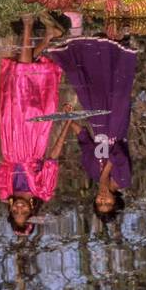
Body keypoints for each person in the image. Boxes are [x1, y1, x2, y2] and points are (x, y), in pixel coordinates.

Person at [0, 14, 71, 235]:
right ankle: (28, 24)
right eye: (24, 213)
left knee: (15, 81)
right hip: (34, 136)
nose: (19, 209)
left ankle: (50, 35)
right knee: (23, 79)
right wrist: (66, 122)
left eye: (16, 213)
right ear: (32, 209)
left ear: (10, 210)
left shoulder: (4, 190)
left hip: (10, 136)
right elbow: (53, 157)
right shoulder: (43, 190)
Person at [49, 35, 136, 224]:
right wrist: (106, 177)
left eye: (99, 203)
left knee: (90, 88)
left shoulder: (92, 172)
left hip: (98, 125)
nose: (103, 199)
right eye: (108, 203)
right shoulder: (123, 180)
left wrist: (69, 119)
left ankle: (88, 45)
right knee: (117, 88)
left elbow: (84, 139)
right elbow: (117, 153)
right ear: (116, 201)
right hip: (115, 124)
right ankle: (119, 42)